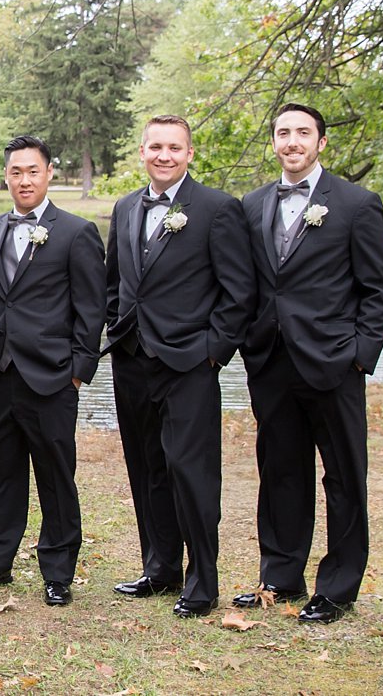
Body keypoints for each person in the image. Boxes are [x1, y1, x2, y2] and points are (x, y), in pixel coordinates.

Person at [232, 103, 383, 624]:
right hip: (272, 362)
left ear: (321, 142)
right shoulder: (253, 204)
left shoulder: (356, 203)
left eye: (303, 133)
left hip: (334, 363)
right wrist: (249, 344)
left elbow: (379, 291)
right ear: (274, 142)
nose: (292, 141)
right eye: (283, 132)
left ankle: (339, 587)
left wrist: (359, 357)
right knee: (280, 471)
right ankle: (280, 576)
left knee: (345, 476)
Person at [104, 115, 255, 617]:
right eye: (155, 147)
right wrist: (117, 328)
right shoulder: (126, 207)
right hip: (132, 360)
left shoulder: (216, 209)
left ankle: (202, 582)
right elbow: (115, 283)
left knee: (190, 473)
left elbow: (239, 294)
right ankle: (160, 568)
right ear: (141, 152)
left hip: (189, 362)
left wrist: (212, 352)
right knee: (146, 469)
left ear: (190, 154)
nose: (164, 155)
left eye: (174, 147)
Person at [0, 136, 105, 607]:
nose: (24, 179)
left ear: (48, 174)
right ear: (7, 176)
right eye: (16, 172)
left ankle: (58, 571)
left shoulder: (76, 232)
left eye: (33, 171)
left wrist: (79, 371)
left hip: (52, 375)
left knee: (56, 473)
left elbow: (90, 309)